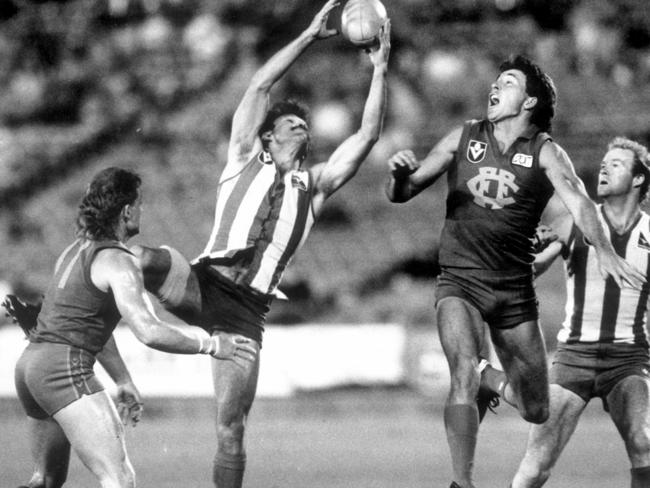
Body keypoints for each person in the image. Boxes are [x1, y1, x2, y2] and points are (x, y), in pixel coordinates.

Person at [128, 2, 390, 487]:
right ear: (268, 137)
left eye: (305, 126)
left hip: (245, 312)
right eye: (291, 124)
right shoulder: (245, 156)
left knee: (231, 429)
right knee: (135, 257)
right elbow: (259, 86)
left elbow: (368, 134)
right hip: (202, 281)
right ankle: (65, 313)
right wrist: (310, 36)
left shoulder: (315, 188)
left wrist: (379, 69)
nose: (302, 128)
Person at [385, 55, 645, 488]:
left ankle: (490, 378)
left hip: (513, 290)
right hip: (459, 279)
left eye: (506, 82)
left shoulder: (545, 151)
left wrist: (605, 251)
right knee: (461, 373)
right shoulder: (464, 136)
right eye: (496, 80)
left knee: (535, 409)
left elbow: (580, 203)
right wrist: (396, 177)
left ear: (528, 101)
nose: (495, 86)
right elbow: (404, 191)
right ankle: (461, 482)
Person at [8, 167, 256, 488]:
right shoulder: (118, 260)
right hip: (62, 369)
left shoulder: (73, 251)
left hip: (30, 366)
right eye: (140, 203)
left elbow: (91, 323)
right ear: (126, 211)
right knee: (120, 479)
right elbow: (149, 330)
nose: (143, 209)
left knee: (45, 480)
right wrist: (211, 345)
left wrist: (123, 379)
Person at [503, 137, 650, 488]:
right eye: (603, 161)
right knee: (537, 465)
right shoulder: (574, 221)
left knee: (643, 442)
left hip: (629, 358)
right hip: (575, 357)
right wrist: (530, 256)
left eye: (616, 164)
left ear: (639, 179)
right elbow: (531, 271)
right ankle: (490, 380)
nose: (604, 166)